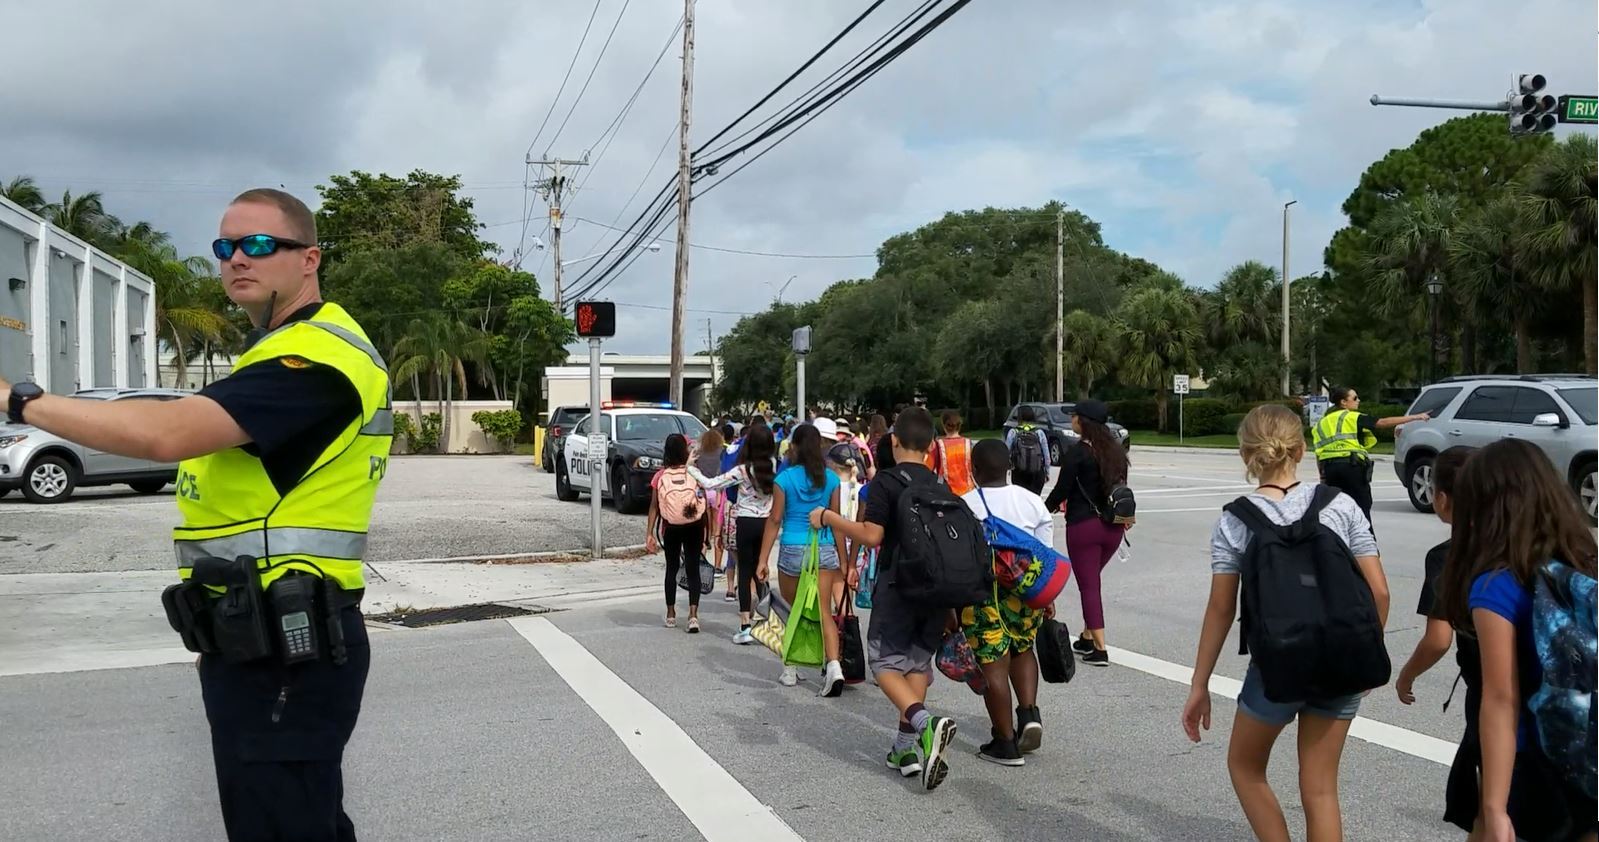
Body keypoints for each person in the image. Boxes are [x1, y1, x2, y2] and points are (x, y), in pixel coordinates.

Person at [0, 188, 388, 841]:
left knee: (285, 825)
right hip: (253, 637)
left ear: (308, 259)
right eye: (225, 247)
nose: (237, 258)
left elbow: (165, 434)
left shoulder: (317, 359)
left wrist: (17, 400)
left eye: (260, 244)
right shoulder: (277, 351)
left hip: (289, 648)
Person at [1182, 404, 1388, 842]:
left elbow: (1221, 608)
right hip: (1341, 661)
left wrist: (1200, 685)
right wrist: (1365, 654)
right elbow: (1380, 592)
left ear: (1245, 455)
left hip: (1277, 666)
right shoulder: (1340, 505)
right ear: (1301, 448)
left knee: (1245, 766)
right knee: (1319, 788)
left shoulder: (1235, 520)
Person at [1438, 439, 1598, 842]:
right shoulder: (1585, 563)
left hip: (1538, 767)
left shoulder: (1496, 585)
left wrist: (1493, 806)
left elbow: (1500, 698)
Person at [810, 407, 959, 792]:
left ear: (893, 442)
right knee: (915, 666)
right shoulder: (941, 486)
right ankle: (905, 750)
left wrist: (827, 517)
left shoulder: (886, 484)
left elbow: (872, 535)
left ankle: (925, 723)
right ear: (931, 446)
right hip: (936, 593)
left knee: (883, 663)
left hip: (897, 588)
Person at [1392, 447, 1481, 836]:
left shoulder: (1449, 557)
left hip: (1491, 693)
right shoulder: (1534, 543)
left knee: (1486, 807)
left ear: (1442, 499)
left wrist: (1406, 677)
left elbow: (1438, 640)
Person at [959, 439, 1053, 766]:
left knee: (993, 664)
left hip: (983, 596)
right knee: (1023, 648)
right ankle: (1029, 713)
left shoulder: (965, 504)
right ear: (1009, 467)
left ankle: (1005, 741)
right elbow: (1045, 551)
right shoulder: (1031, 501)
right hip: (1026, 591)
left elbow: (961, 559)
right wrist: (1047, 597)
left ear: (974, 470)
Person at [762, 423, 850, 694]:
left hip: (792, 548)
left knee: (792, 610)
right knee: (824, 610)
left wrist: (762, 559)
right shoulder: (831, 480)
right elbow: (835, 522)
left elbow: (775, 519)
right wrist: (844, 561)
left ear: (796, 447)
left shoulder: (784, 479)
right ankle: (834, 666)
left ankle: (790, 669)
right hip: (823, 549)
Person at [1043, 399, 1128, 667]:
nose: (1072, 421)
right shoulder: (1116, 452)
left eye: (1075, 417)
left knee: (1089, 586)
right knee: (1092, 580)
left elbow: (1061, 490)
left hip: (1084, 527)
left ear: (1084, 422)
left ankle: (1100, 649)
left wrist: (1043, 510)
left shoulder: (1078, 453)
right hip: (1113, 528)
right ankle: (1087, 636)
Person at [689, 425, 777, 644]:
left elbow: (712, 484)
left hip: (745, 522)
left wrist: (690, 467)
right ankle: (767, 621)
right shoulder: (775, 466)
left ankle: (745, 625)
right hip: (767, 523)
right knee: (762, 570)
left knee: (744, 572)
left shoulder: (742, 470)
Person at [1312, 386, 1430, 528]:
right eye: (1355, 398)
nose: (1358, 400)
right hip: (1352, 467)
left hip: (1330, 469)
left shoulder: (1322, 423)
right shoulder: (1352, 417)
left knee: (1336, 508)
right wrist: (1415, 417)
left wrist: (1322, 476)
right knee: (1362, 509)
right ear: (1343, 402)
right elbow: (1382, 422)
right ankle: (1367, 544)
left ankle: (1338, 543)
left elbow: (1318, 452)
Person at [646, 434, 708, 633]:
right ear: (684, 450)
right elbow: (702, 502)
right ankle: (693, 615)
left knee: (671, 568)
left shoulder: (660, 476)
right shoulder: (694, 473)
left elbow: (654, 507)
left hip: (670, 527)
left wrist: (649, 533)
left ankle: (671, 614)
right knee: (692, 568)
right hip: (694, 525)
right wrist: (708, 534)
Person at [693, 428, 734, 602]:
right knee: (718, 532)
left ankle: (700, 562)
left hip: (701, 491)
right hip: (717, 492)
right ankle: (717, 566)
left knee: (704, 533)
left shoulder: (699, 453)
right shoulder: (722, 452)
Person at [1005, 405, 1053, 495]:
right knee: (1035, 500)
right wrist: (1047, 472)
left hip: (1019, 472)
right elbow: (1047, 456)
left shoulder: (1013, 432)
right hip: (1037, 472)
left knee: (1020, 499)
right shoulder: (1039, 432)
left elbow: (1006, 452)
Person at [930, 410, 976, 497]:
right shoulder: (968, 444)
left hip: (946, 492)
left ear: (943, 425)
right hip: (969, 493)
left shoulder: (938, 445)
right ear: (959, 425)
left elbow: (929, 469)